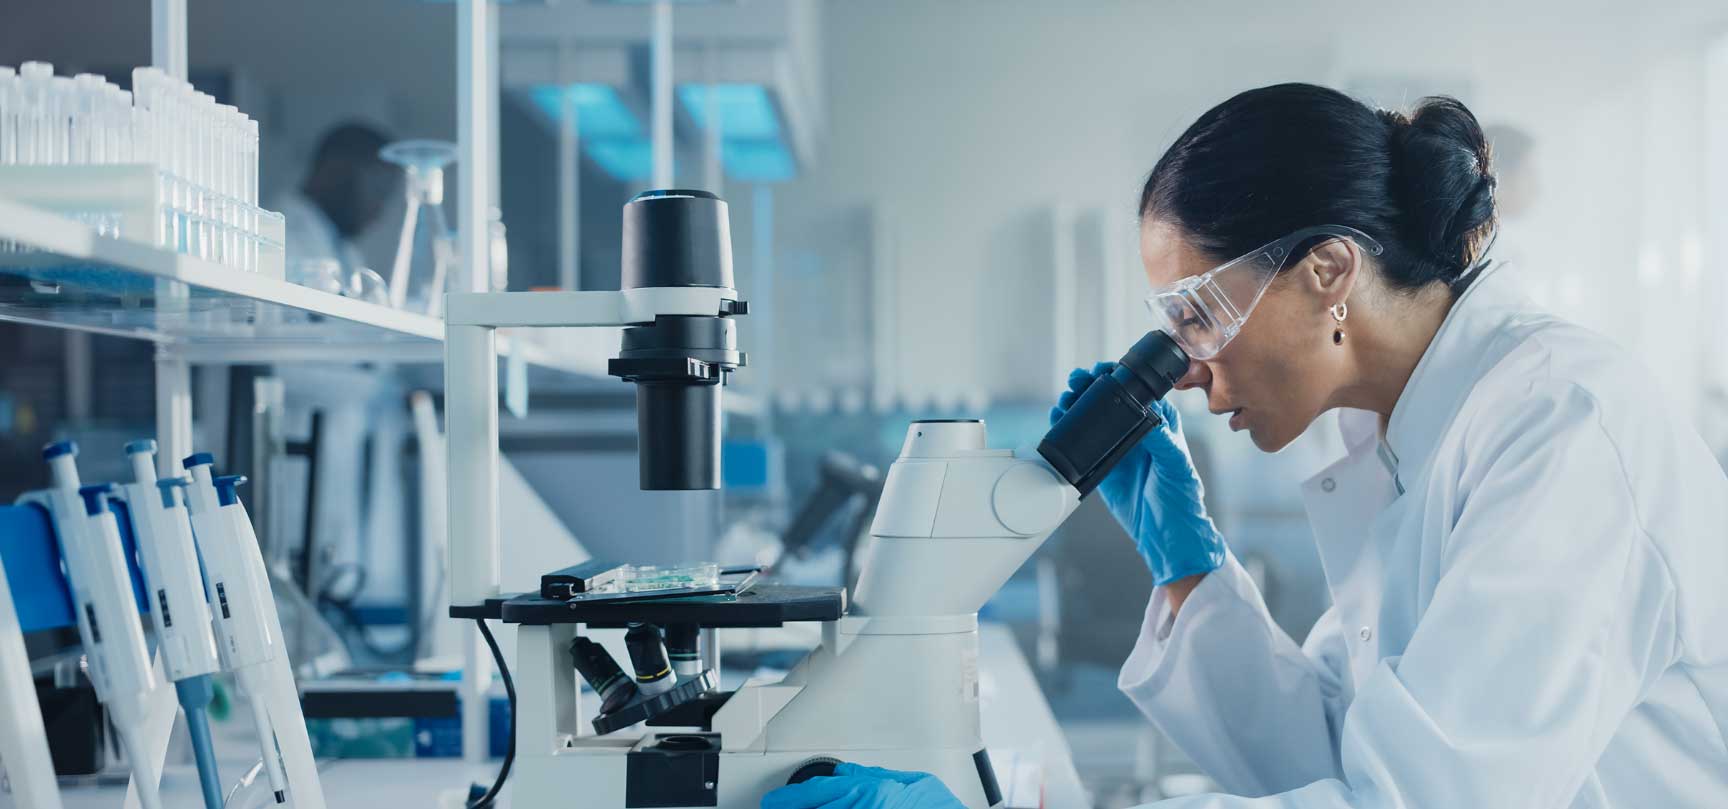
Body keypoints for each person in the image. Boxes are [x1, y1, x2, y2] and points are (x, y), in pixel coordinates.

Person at [762, 83, 1728, 807]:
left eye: (1199, 312)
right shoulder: (1395, 437)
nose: (1185, 366)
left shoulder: (1562, 425)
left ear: (1327, 271)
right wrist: (1186, 567)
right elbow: (1326, 753)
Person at [277, 122, 396, 273]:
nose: (379, 210)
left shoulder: (347, 252)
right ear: (335, 170)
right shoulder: (280, 234)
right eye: (378, 191)